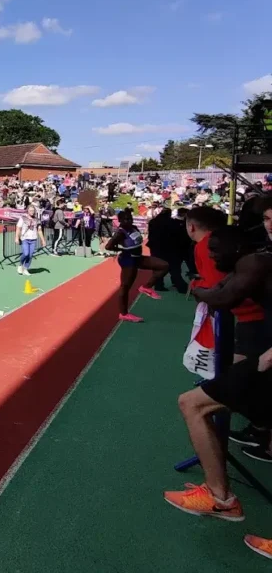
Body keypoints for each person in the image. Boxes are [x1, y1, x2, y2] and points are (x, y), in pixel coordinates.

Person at [163, 225, 272, 535]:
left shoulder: (256, 261)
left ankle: (220, 497)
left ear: (236, 248)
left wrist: (199, 291)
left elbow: (224, 296)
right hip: (261, 350)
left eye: (215, 250)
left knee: (192, 403)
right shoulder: (256, 259)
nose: (210, 256)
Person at [104, 208, 168, 323]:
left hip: (138, 258)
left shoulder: (134, 228)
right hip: (128, 260)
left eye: (130, 218)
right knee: (125, 287)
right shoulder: (120, 233)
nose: (129, 221)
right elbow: (108, 247)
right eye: (125, 219)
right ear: (120, 221)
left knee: (164, 265)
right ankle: (124, 314)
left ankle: (146, 287)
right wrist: (121, 249)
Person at [147, 207, 189, 294]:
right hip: (170, 249)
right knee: (174, 269)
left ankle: (158, 285)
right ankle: (181, 287)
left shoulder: (153, 222)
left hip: (156, 248)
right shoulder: (173, 223)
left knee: (158, 267)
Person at [15, 204, 45, 276]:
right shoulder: (23, 218)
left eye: (33, 210)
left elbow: (39, 230)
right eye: (30, 210)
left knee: (30, 255)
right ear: (27, 211)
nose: (32, 212)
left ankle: (25, 268)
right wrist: (16, 237)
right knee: (26, 253)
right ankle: (20, 265)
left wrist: (43, 240)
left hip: (33, 239)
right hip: (25, 238)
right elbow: (18, 228)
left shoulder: (37, 220)